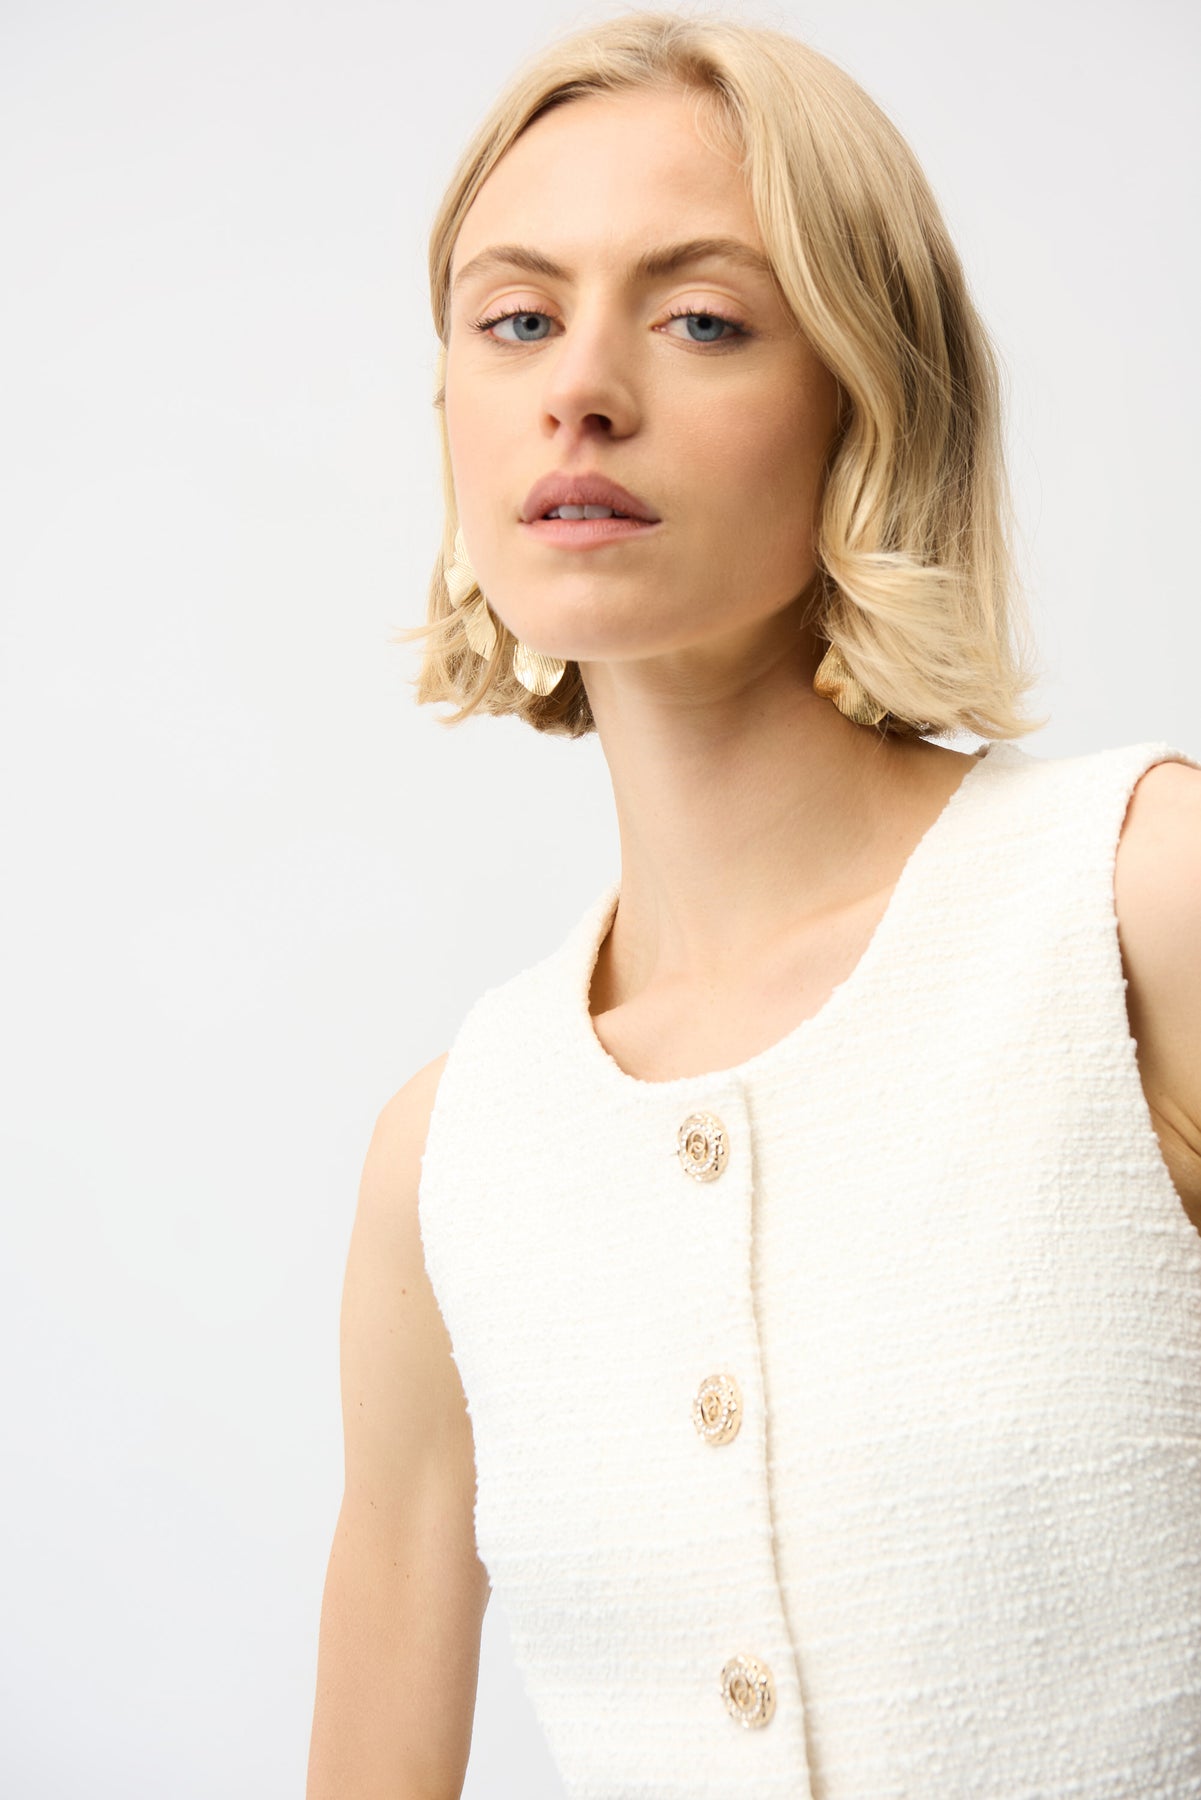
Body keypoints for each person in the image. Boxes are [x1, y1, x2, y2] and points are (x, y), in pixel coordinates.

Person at [306, 11, 1201, 1797]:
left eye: (701, 317)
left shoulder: (1131, 907)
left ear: (869, 400)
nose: (580, 388)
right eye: (515, 319)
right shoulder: (452, 1156)